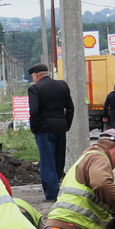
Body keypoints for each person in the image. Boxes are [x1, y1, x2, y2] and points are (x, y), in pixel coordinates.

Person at [28, 62, 74, 201]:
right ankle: (57, 187)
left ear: (36, 75)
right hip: (60, 127)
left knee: (47, 161)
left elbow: (34, 111)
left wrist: (35, 128)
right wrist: (66, 125)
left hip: (44, 129)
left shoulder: (35, 89)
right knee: (59, 159)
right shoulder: (62, 85)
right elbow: (70, 108)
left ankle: (52, 194)